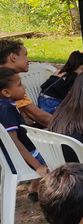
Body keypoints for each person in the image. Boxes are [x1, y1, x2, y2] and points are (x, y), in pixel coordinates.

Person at [0, 67, 48, 199]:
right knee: (62, 153)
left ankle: (35, 187)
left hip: (26, 152)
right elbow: (13, 142)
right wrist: (38, 166)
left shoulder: (7, 105)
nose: (24, 86)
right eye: (20, 84)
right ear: (6, 92)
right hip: (25, 157)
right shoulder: (5, 109)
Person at [0, 39, 52, 127]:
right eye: (25, 55)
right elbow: (39, 116)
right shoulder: (10, 83)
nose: (29, 60)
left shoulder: (7, 78)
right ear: (13, 57)